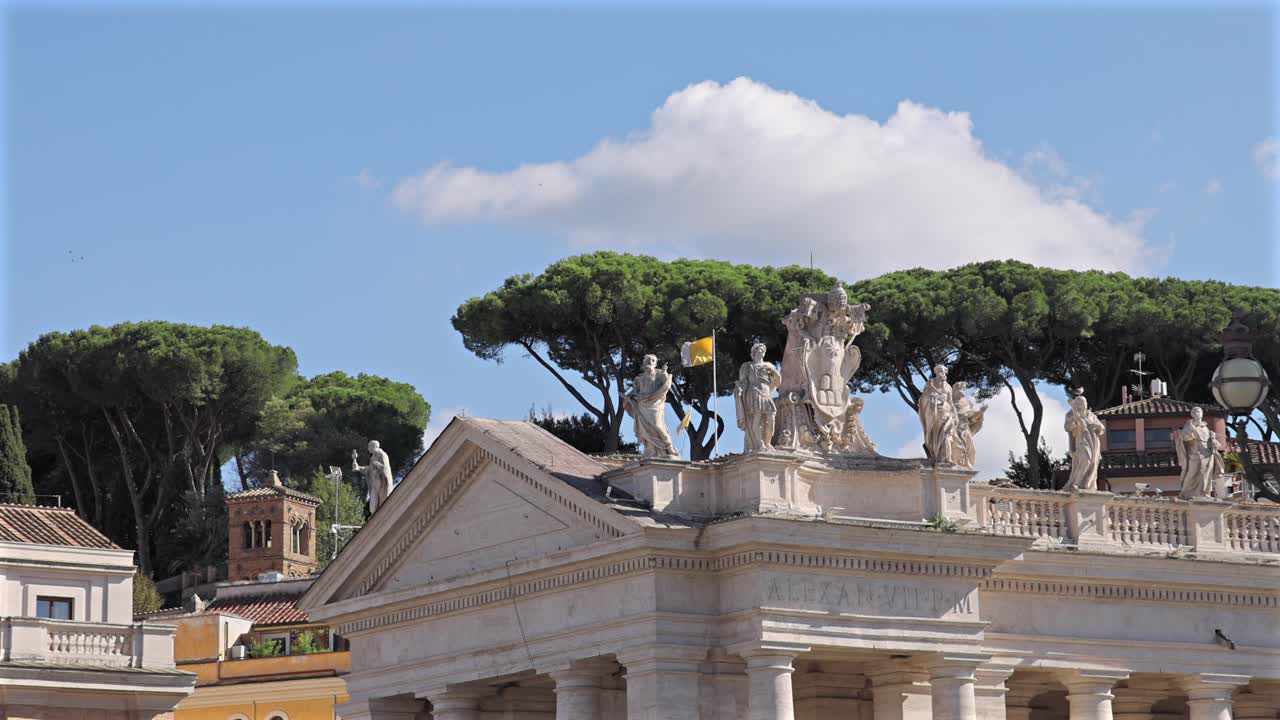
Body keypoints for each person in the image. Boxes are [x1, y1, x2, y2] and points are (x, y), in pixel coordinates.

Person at [624, 354, 679, 459]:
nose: (650, 362)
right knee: (644, 428)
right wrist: (630, 397)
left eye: (653, 360)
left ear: (655, 363)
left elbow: (666, 384)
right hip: (642, 404)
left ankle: (669, 446)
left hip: (655, 403)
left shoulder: (659, 374)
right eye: (648, 360)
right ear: (644, 363)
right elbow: (635, 392)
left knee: (658, 425)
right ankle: (651, 450)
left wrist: (664, 374)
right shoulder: (638, 379)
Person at [735, 343, 781, 453]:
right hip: (754, 394)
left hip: (766, 394)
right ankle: (759, 444)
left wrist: (775, 376)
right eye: (759, 350)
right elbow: (743, 382)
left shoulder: (769, 366)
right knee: (757, 420)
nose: (761, 352)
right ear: (754, 353)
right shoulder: (748, 367)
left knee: (771, 420)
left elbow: (778, 382)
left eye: (763, 350)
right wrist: (739, 391)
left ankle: (768, 442)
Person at [1176, 407, 1225, 499]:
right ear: (1192, 415)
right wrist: (1190, 431)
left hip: (1208, 453)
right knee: (1193, 472)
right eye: (1194, 412)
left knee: (1207, 473)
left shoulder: (1205, 427)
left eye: (1198, 411)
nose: (1197, 413)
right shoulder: (1189, 425)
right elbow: (1184, 438)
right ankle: (1186, 491)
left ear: (1202, 414)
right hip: (1195, 452)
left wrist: (1213, 439)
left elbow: (1209, 440)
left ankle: (1205, 493)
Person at [1064, 394, 1104, 491]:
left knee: (1093, 463)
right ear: (1076, 404)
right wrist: (1073, 422)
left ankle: (1087, 484)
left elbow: (1102, 429)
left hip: (1094, 442)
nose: (1083, 404)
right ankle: (1076, 483)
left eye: (1084, 402)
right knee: (1086, 460)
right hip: (1081, 440)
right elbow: (1067, 427)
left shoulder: (1092, 415)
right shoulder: (1071, 414)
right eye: (1080, 402)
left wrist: (1097, 426)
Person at [918, 365, 957, 465]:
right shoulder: (930, 383)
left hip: (946, 413)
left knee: (946, 434)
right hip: (934, 414)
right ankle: (938, 457)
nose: (941, 373)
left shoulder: (948, 387)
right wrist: (933, 397)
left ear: (945, 373)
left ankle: (948, 458)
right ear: (935, 372)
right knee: (937, 436)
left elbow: (950, 401)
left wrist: (955, 414)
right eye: (939, 371)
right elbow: (923, 399)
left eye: (943, 371)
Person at [352, 440, 394, 514]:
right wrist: (358, 467)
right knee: (373, 506)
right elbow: (369, 469)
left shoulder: (382, 455)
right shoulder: (372, 458)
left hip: (382, 485)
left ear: (375, 446)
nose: (368, 448)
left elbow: (386, 469)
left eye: (370, 446)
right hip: (374, 484)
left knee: (382, 505)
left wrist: (377, 464)